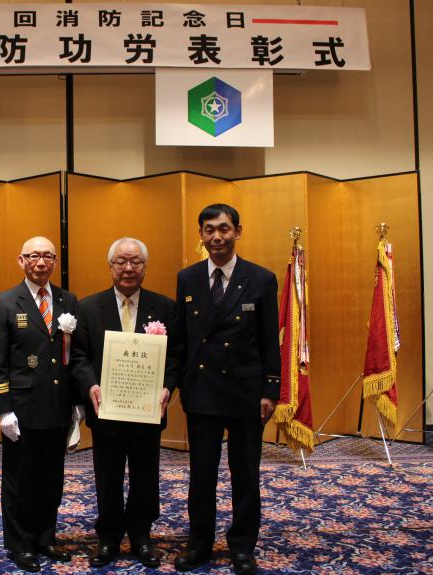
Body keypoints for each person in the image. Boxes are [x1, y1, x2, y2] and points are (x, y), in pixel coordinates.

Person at [173, 205, 280, 575]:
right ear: (200, 235)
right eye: (209, 230)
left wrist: (271, 389)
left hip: (246, 393)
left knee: (245, 474)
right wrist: (178, 385)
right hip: (202, 392)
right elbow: (183, 339)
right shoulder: (187, 278)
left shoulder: (261, 279)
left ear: (238, 231)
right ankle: (199, 543)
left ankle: (242, 546)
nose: (216, 237)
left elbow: (270, 340)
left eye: (224, 229)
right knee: (201, 474)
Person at [70, 237, 176, 569]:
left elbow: (175, 357)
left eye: (135, 262)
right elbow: (79, 356)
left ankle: (142, 536)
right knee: (108, 473)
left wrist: (167, 388)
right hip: (106, 409)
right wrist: (91, 387)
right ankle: (109, 537)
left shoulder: (166, 307)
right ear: (111, 266)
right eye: (120, 262)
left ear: (145, 266)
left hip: (148, 408)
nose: (128, 268)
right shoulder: (88, 307)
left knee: (146, 473)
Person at [0, 236, 80, 573]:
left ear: (55, 261)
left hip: (57, 406)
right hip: (22, 409)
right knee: (20, 479)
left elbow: (73, 355)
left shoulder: (68, 300)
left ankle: (46, 537)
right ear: (21, 260)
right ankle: (20, 543)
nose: (41, 263)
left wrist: (78, 403)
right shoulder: (5, 302)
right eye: (34, 256)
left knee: (51, 477)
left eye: (48, 256)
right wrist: (3, 409)